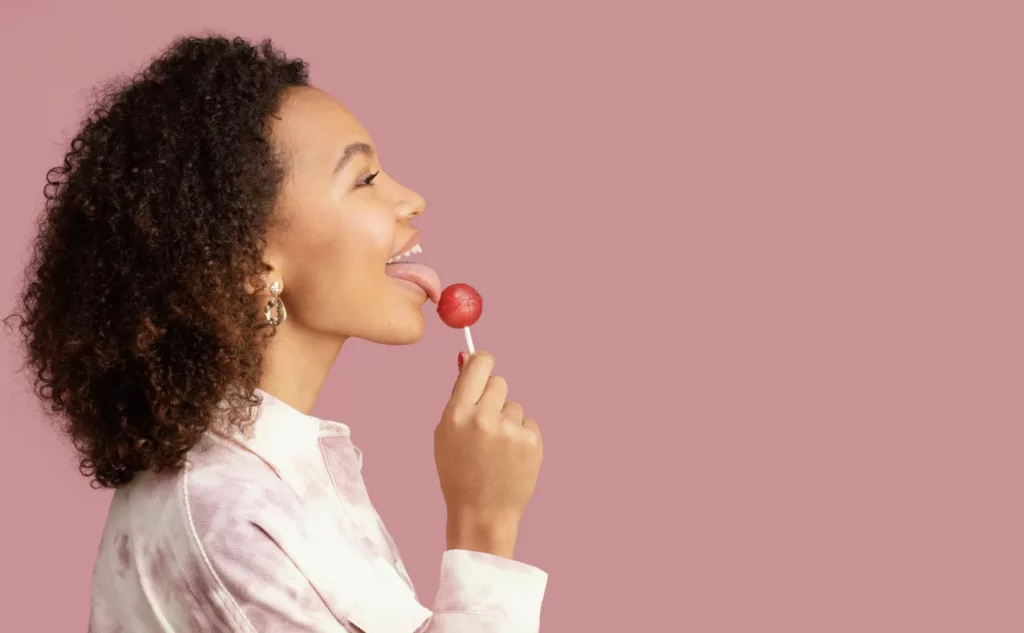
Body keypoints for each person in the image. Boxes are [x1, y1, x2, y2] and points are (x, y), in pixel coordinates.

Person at [8, 34, 547, 632]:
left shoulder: (277, 475)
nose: (411, 199)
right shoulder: (227, 520)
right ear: (252, 264)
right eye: (364, 180)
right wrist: (484, 524)